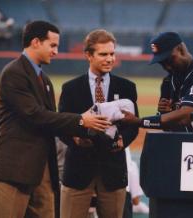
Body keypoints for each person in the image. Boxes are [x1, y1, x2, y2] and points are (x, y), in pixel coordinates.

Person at [0, 21, 111, 218]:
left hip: (43, 169)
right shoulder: (13, 73)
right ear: (36, 42)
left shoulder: (44, 80)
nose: (56, 51)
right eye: (52, 45)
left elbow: (52, 122)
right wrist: (80, 120)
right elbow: (34, 115)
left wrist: (82, 134)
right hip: (14, 169)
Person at [58, 29, 139, 218]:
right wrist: (76, 140)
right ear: (88, 55)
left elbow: (132, 125)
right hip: (78, 170)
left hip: (113, 170)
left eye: (112, 53)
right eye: (103, 54)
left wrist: (122, 142)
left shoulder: (127, 87)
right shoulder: (71, 88)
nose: (110, 59)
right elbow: (62, 125)